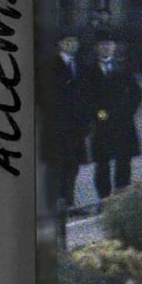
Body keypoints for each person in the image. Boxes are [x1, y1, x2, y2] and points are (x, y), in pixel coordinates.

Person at [84, 31, 142, 201]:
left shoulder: (122, 67)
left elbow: (136, 92)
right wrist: (99, 114)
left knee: (124, 160)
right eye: (102, 45)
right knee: (103, 162)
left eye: (109, 45)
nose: (106, 48)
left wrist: (128, 111)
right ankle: (105, 199)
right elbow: (87, 97)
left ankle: (121, 195)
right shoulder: (89, 70)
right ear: (97, 48)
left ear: (114, 47)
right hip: (103, 124)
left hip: (123, 122)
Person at [47, 31, 92, 211]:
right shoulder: (51, 66)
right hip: (59, 124)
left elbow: (87, 94)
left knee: (73, 165)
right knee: (60, 164)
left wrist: (88, 119)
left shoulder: (81, 65)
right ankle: (60, 202)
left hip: (77, 125)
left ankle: (70, 201)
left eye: (75, 41)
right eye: (68, 41)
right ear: (60, 44)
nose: (72, 44)